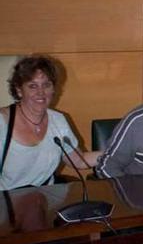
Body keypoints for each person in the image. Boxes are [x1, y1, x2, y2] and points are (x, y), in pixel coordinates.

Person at [0, 55, 94, 190]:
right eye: (32, 86)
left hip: (46, 201)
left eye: (46, 85)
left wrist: (117, 151)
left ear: (53, 89)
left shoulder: (58, 120)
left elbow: (79, 160)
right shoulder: (2, 123)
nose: (41, 93)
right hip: (7, 203)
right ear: (19, 90)